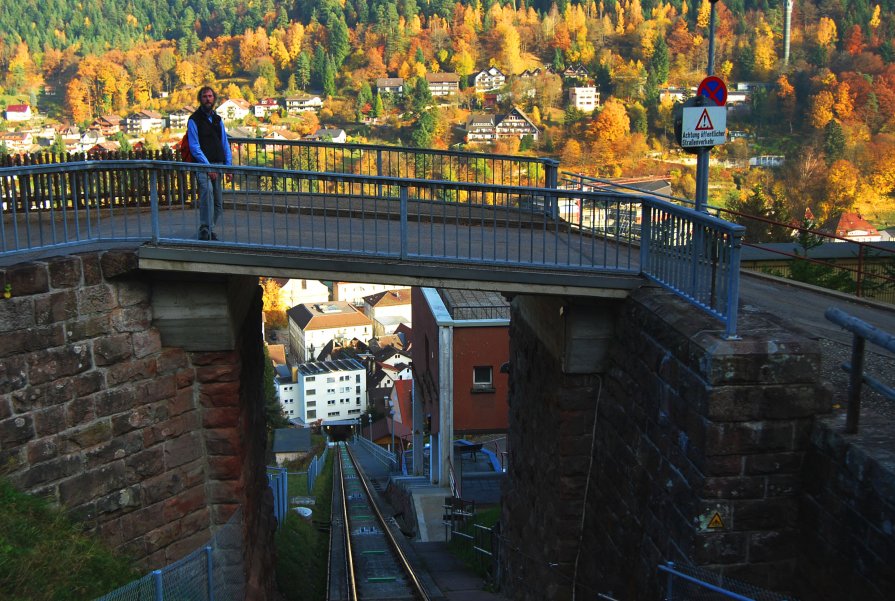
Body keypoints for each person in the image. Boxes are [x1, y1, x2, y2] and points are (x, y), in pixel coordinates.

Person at [187, 86, 232, 240]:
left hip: (218, 164)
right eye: (205, 96)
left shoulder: (218, 120)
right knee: (208, 194)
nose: (208, 99)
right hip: (202, 166)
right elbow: (194, 147)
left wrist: (228, 166)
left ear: (214, 99)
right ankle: (205, 231)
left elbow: (225, 143)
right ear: (201, 99)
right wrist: (208, 167)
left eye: (210, 96)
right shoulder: (194, 120)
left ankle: (209, 229)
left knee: (218, 202)